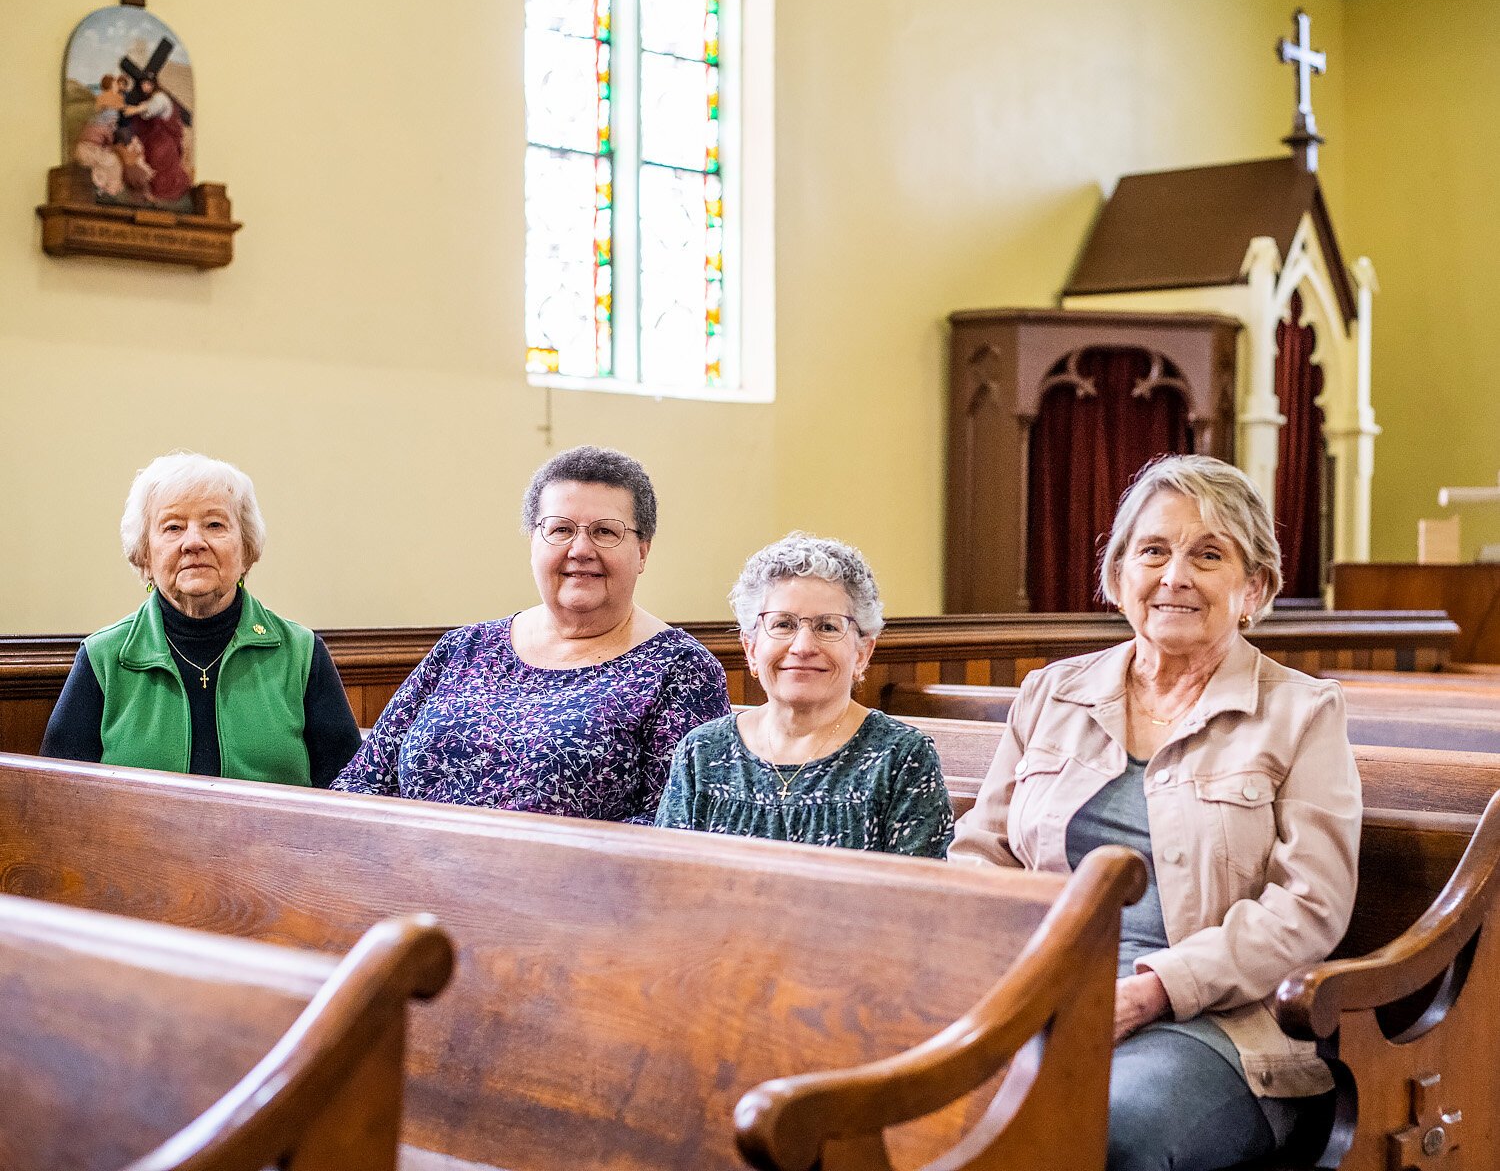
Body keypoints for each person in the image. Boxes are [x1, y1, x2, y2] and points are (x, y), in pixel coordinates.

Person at [948, 454, 1360, 1171]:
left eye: (1208, 554)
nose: (1175, 576)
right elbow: (980, 857)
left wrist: (1152, 991)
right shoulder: (1052, 694)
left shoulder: (1301, 712)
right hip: (1036, 994)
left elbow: (1310, 906)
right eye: (1153, 551)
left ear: (1252, 586)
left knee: (1102, 1129)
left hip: (1219, 1025)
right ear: (1118, 577)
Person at [334, 446, 730, 821]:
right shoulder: (463, 649)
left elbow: (677, 825)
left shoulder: (680, 669)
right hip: (404, 882)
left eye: (606, 532)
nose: (580, 549)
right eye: (559, 529)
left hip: (572, 891)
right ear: (532, 543)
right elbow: (362, 783)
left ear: (642, 552)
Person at [41, 451, 362, 787]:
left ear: (246, 550)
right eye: (173, 527)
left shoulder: (301, 653)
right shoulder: (103, 657)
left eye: (214, 524)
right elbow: (56, 802)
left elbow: (351, 793)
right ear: (145, 556)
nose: (193, 542)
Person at [656, 533, 952, 857]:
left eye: (827, 627)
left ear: (862, 653)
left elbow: (919, 902)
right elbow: (663, 886)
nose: (803, 647)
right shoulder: (701, 753)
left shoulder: (901, 757)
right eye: (783, 624)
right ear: (751, 649)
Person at [122, 75, 191, 202]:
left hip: (164, 140)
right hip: (154, 139)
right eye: (143, 84)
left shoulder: (160, 98)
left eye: (148, 84)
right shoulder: (151, 98)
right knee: (148, 161)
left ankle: (162, 194)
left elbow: (151, 109)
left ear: (154, 85)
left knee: (159, 161)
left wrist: (135, 110)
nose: (145, 87)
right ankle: (152, 193)